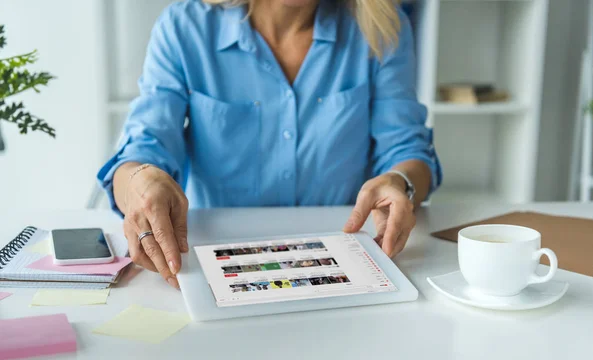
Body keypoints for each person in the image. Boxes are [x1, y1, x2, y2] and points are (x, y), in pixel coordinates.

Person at [97, 0, 443, 289]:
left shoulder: (380, 27)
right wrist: (140, 182)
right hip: (214, 264)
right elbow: (144, 145)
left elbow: (407, 150)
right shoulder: (185, 27)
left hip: (343, 264)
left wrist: (401, 183)